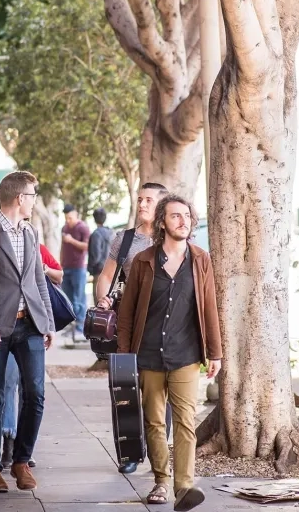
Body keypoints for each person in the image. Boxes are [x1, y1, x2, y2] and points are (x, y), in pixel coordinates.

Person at [116, 194, 223, 510]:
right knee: (154, 422)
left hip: (186, 355)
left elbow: (209, 307)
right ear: (162, 222)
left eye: (187, 216)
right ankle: (161, 481)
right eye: (176, 216)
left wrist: (215, 353)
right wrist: (124, 355)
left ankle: (184, 486)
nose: (183, 221)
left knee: (185, 422)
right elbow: (127, 312)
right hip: (148, 354)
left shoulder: (200, 260)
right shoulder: (143, 261)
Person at [0, 171, 55, 493]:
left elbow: (38, 280)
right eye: (32, 196)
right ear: (20, 198)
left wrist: (47, 322)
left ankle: (21, 461)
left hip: (29, 325)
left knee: (36, 394)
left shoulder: (30, 232)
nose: (34, 201)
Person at [95, 182, 171, 474]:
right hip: (128, 326)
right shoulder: (124, 240)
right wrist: (103, 299)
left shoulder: (173, 238)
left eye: (149, 200)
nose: (142, 205)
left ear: (162, 205)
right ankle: (129, 454)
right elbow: (106, 275)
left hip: (164, 326)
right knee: (126, 389)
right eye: (140, 199)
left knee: (161, 393)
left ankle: (158, 454)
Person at [60, 204, 90, 342]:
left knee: (79, 299)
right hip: (66, 267)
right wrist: (60, 263)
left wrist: (71, 240)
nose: (68, 221)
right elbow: (63, 247)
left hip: (79, 268)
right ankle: (71, 328)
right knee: (68, 300)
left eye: (70, 218)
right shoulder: (64, 228)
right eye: (66, 218)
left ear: (76, 215)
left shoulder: (83, 228)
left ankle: (80, 327)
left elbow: (87, 246)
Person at [87, 207, 113, 290]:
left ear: (94, 219)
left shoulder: (96, 234)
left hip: (99, 271)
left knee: (99, 296)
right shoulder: (112, 233)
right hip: (112, 270)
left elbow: (96, 256)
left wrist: (90, 267)